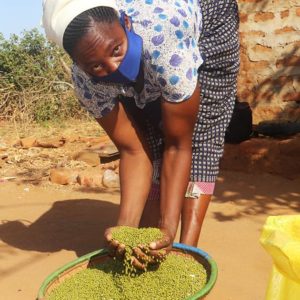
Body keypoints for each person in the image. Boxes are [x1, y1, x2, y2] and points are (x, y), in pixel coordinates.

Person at [43, 0, 240, 268]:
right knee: (149, 133)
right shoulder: (86, 82)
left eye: (116, 50)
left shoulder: (165, 44)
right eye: (96, 66)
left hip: (206, 14)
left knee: (201, 131)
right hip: (152, 38)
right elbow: (133, 149)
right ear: (78, 64)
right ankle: (147, 243)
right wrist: (124, 230)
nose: (113, 67)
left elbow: (178, 145)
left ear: (126, 23)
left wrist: (168, 228)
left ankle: (186, 256)